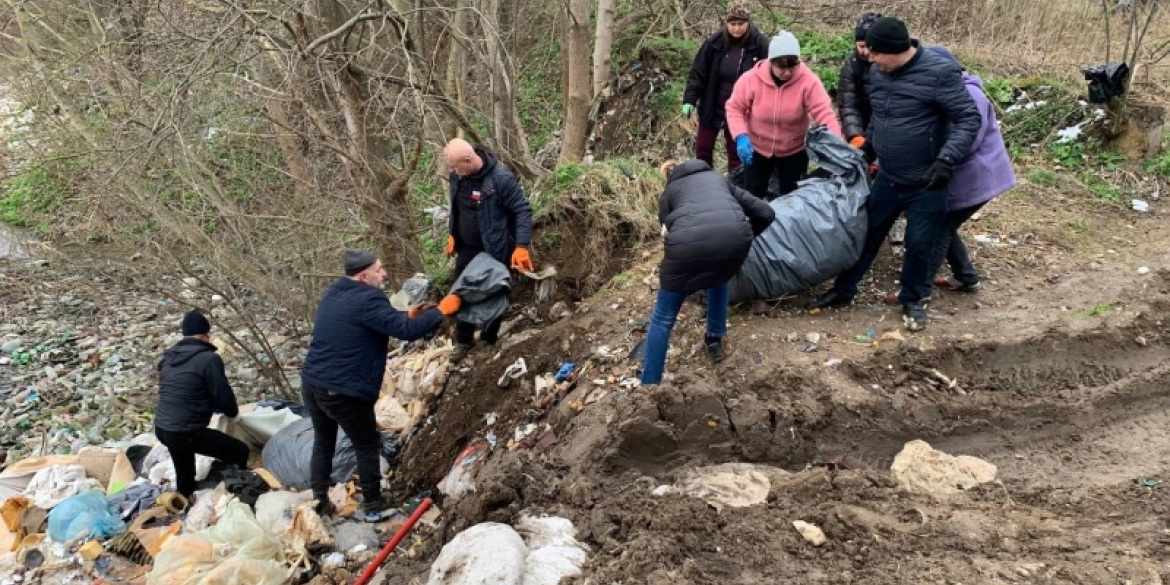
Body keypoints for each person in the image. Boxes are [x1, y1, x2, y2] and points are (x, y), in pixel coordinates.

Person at [806, 17, 980, 330]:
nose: (868, 58)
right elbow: (881, 118)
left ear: (892, 51)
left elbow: (968, 119)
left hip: (927, 180)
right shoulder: (878, 72)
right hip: (888, 175)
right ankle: (844, 290)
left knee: (919, 243)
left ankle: (913, 300)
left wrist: (947, 160)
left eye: (874, 52)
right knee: (866, 233)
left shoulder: (939, 73)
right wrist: (868, 150)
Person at [300, 250, 461, 521]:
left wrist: (406, 314)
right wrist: (442, 311)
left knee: (324, 441)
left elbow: (375, 320)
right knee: (367, 444)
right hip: (343, 390)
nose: (384, 273)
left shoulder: (337, 291)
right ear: (364, 276)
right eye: (379, 269)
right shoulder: (369, 297)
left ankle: (319, 501)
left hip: (313, 382)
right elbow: (405, 331)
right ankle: (374, 506)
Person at [879, 45, 1015, 304]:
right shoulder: (946, 91)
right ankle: (966, 276)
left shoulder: (972, 95)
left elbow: (969, 142)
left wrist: (934, 157)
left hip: (978, 179)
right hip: (964, 178)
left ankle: (920, 288)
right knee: (947, 224)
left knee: (939, 227)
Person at [641, 159, 775, 386]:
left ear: (670, 176)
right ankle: (714, 339)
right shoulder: (720, 180)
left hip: (686, 247)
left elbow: (666, 231)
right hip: (734, 240)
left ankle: (649, 386)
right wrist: (744, 236)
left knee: (663, 318)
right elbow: (766, 212)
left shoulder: (670, 191)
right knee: (718, 276)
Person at [443, 138, 534, 361]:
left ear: (468, 159)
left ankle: (488, 339)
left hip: (495, 247)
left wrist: (521, 246)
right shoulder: (457, 177)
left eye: (456, 166)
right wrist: (452, 233)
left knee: (494, 292)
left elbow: (522, 211)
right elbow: (457, 207)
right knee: (461, 291)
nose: (453, 171)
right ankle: (464, 341)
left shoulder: (501, 179)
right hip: (467, 248)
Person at [726, 31, 842, 200]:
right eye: (782, 66)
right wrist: (741, 136)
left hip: (793, 151)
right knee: (753, 195)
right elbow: (734, 107)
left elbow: (824, 112)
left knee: (792, 198)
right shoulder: (751, 79)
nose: (787, 72)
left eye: (792, 66)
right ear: (771, 62)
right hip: (757, 149)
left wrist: (837, 143)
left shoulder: (808, 81)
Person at [154, 310, 249, 499]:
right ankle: (235, 495)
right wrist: (233, 414)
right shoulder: (209, 359)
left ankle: (183, 503)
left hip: (163, 428)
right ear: (206, 335)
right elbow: (223, 395)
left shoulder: (167, 359)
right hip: (186, 431)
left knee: (185, 473)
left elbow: (183, 390)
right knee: (239, 451)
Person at [681, 0, 769, 172]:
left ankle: (735, 189)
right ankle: (705, 185)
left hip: (742, 109)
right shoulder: (714, 43)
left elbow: (769, 77)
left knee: (737, 154)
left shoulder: (760, 45)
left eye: (740, 24)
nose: (736, 28)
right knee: (703, 149)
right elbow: (698, 72)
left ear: (748, 23)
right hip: (713, 105)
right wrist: (690, 99)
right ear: (726, 23)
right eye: (732, 24)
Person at [837, 12, 882, 149]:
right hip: (861, 124)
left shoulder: (889, 64)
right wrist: (855, 135)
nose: (866, 52)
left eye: (868, 46)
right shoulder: (852, 65)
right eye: (861, 46)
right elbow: (848, 105)